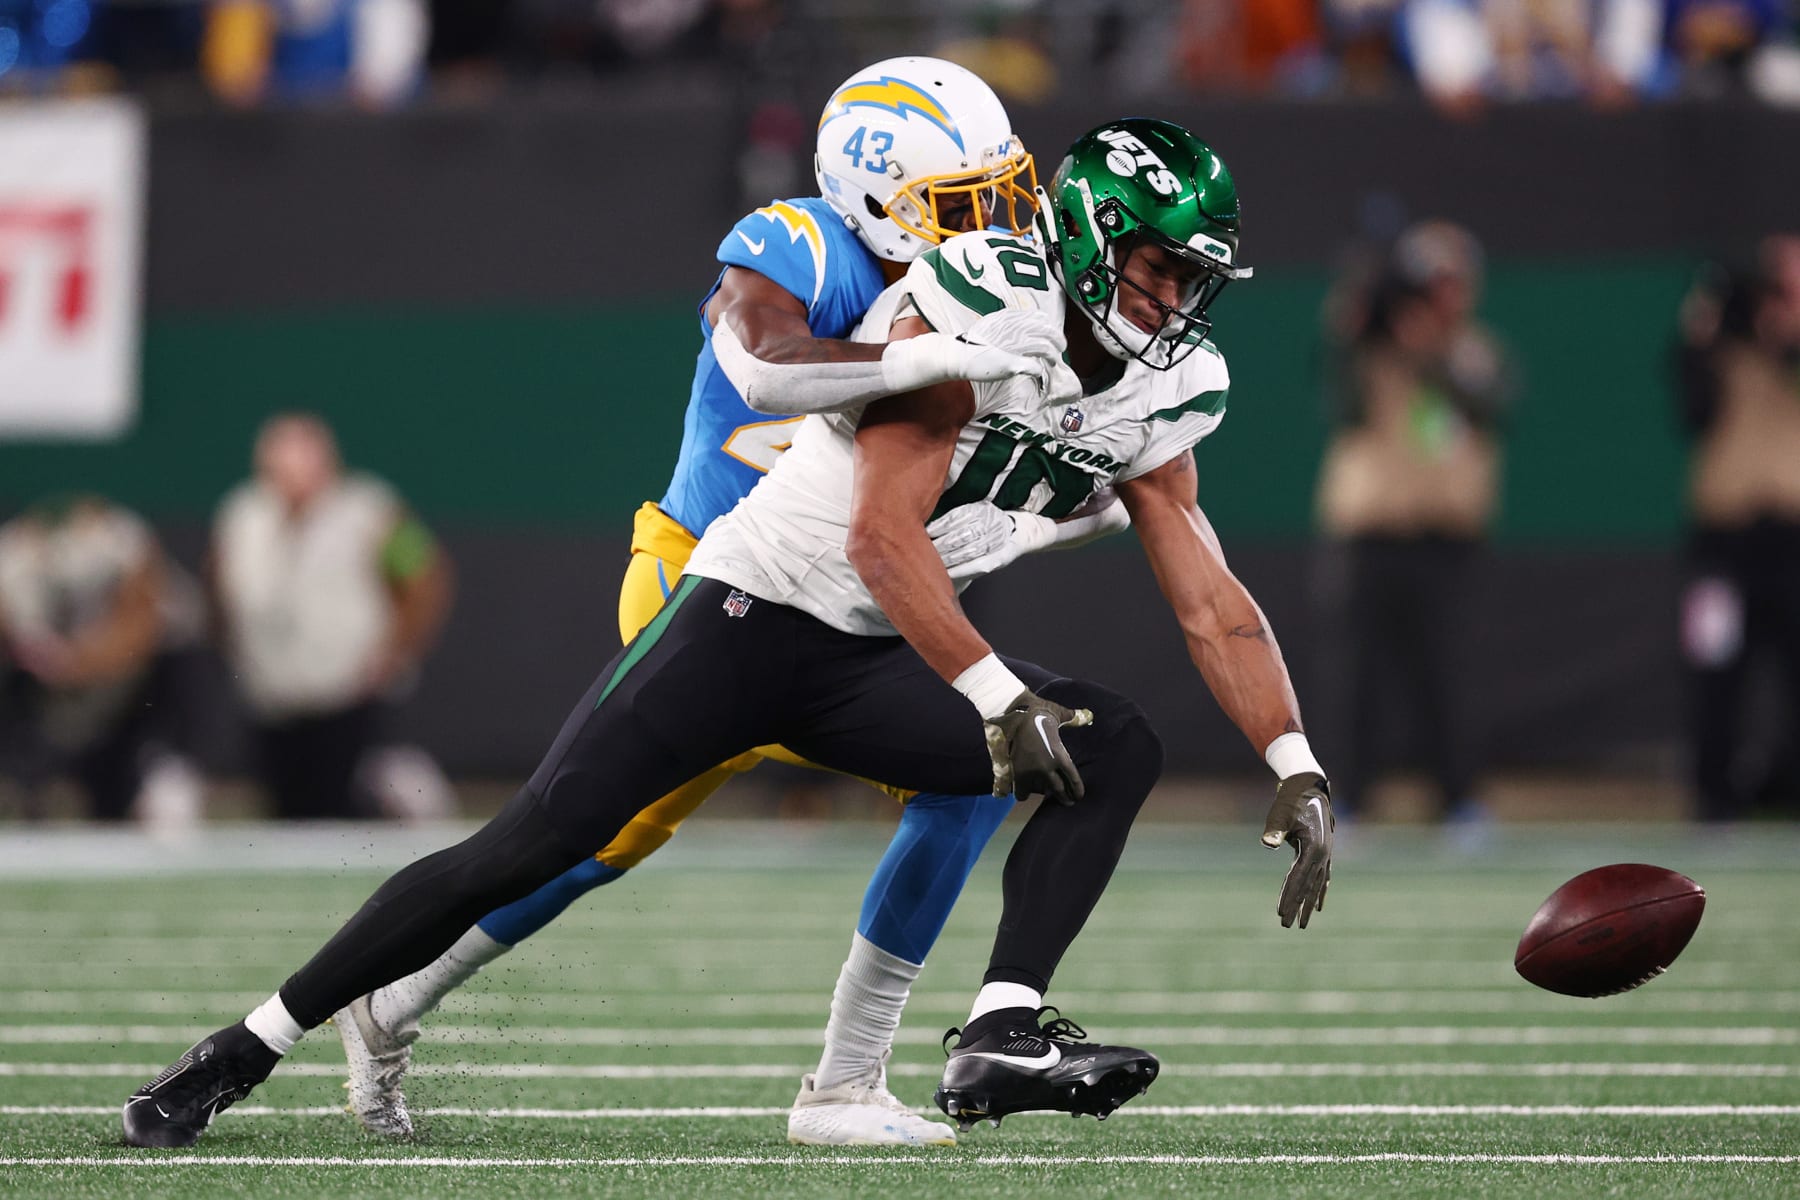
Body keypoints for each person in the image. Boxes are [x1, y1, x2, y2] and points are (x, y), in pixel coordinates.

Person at [120, 117, 1335, 1151]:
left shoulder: (1167, 389)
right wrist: (989, 689)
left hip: (873, 658)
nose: (1172, 303)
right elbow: (879, 538)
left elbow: (1210, 597)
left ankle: (1000, 1032)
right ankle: (245, 1047)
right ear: (1087, 237)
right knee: (530, 842)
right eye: (1158, 271)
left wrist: (1291, 757)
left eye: (1191, 282)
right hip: (749, 618)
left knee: (1110, 744)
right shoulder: (986, 302)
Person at [305, 58, 1090, 1148]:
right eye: (959, 206)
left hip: (851, 610)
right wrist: (940, 358)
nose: (989, 226)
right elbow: (767, 358)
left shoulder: (977, 282)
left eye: (999, 194)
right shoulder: (799, 245)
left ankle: (847, 1081)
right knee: (594, 840)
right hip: (711, 587)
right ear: (874, 200)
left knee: (972, 776)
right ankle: (382, 1000)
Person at [1312, 219, 1511, 822]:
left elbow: (1491, 406)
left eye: (1452, 284)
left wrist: (1431, 347)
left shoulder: (1476, 351)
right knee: (1357, 677)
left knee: (1447, 677)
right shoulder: (1368, 350)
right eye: (1430, 286)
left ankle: (1459, 801)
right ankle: (1348, 797)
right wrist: (1361, 311)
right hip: (1370, 535)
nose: (1442, 297)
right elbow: (1338, 399)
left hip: (1445, 539)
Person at [212, 413, 454, 820]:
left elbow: (423, 576)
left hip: (347, 693)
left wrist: (397, 651)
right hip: (271, 696)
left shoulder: (369, 510)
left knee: (344, 809)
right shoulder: (244, 514)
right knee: (285, 810)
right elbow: (219, 587)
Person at [1674, 234, 1800, 820]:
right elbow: (1690, 408)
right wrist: (1706, 329)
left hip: (1792, 539)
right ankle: (1713, 797)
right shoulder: (1719, 353)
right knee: (1715, 667)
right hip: (1722, 542)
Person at [0, 494, 207, 825]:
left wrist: (82, 659)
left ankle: (166, 773)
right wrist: (36, 648)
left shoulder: (124, 540)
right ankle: (25, 791)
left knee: (176, 672)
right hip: (47, 693)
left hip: (129, 690)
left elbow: (143, 624)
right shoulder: (14, 549)